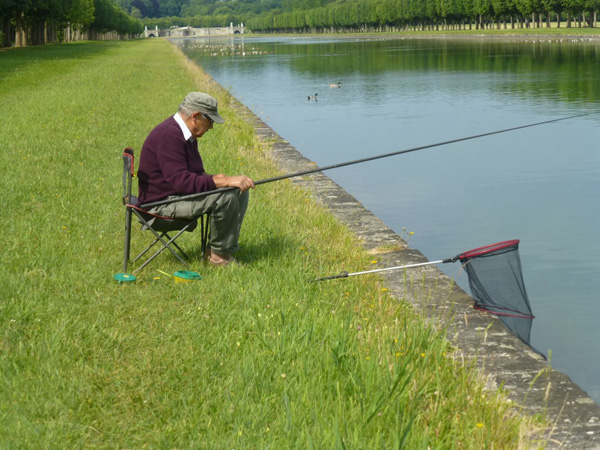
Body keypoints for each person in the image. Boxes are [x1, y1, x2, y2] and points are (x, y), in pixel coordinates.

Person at [137, 92, 254, 266]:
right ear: (196, 116)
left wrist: (218, 179)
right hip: (159, 206)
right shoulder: (169, 135)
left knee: (238, 192)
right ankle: (218, 257)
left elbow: (194, 174)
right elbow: (182, 182)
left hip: (174, 196)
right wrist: (223, 181)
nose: (211, 127)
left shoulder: (186, 135)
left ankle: (222, 249)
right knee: (226, 197)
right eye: (211, 121)